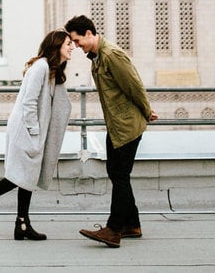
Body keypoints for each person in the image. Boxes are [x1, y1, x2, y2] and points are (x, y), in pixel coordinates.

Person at [0, 30, 73, 241]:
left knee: (27, 176)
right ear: (56, 45)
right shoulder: (40, 67)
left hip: (32, 130)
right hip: (26, 130)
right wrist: (34, 132)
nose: (72, 47)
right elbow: (29, 102)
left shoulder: (51, 70)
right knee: (20, 175)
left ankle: (22, 224)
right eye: (68, 43)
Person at [65, 14, 158, 248]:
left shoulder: (111, 55)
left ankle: (114, 229)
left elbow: (133, 85)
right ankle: (132, 224)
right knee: (116, 171)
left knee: (120, 174)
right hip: (117, 124)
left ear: (89, 33)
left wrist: (147, 111)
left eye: (77, 41)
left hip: (127, 124)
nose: (76, 46)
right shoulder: (96, 57)